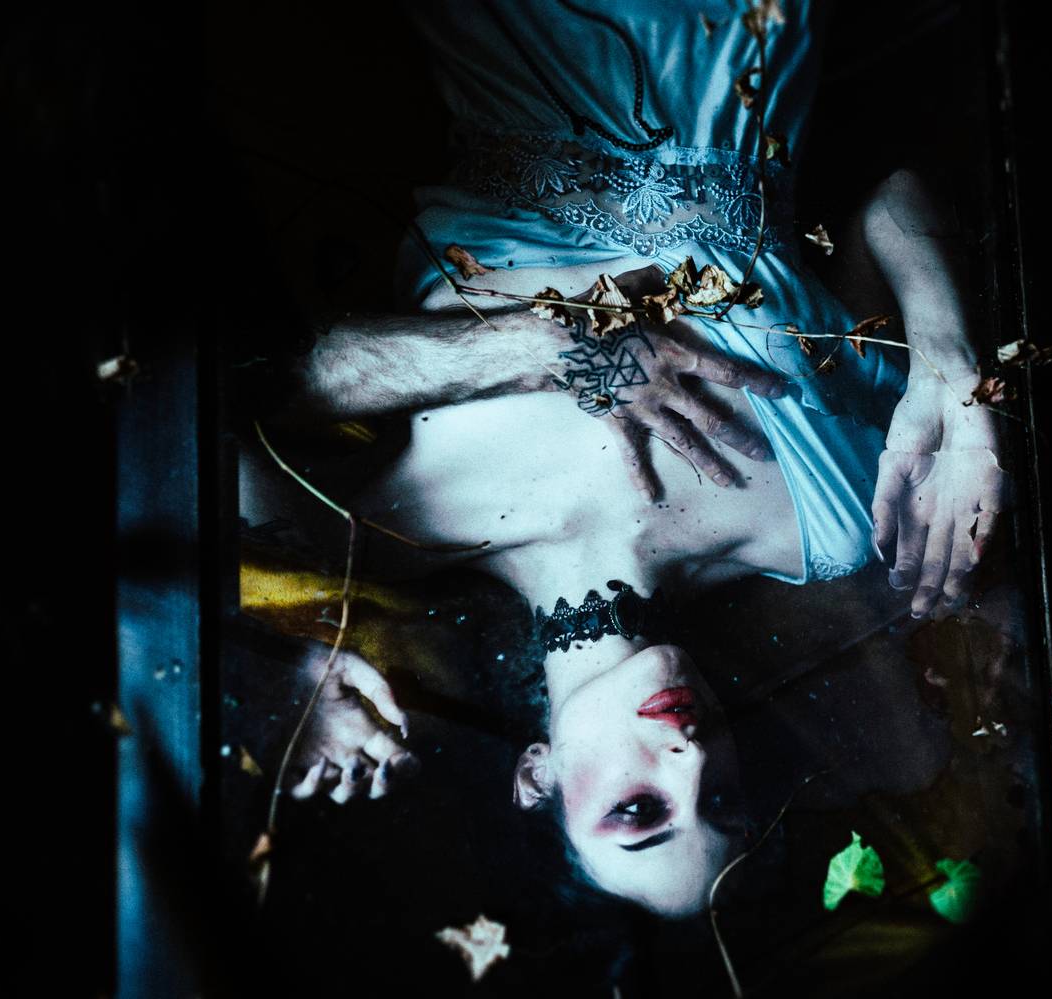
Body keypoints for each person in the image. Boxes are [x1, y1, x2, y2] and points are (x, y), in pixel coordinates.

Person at [243, 0, 1008, 917]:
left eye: (640, 811)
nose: (689, 757)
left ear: (537, 776)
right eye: (723, 797)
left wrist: (550, 346)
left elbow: (268, 381)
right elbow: (892, 197)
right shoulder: (830, 521)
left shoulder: (391, 531)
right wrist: (954, 380)